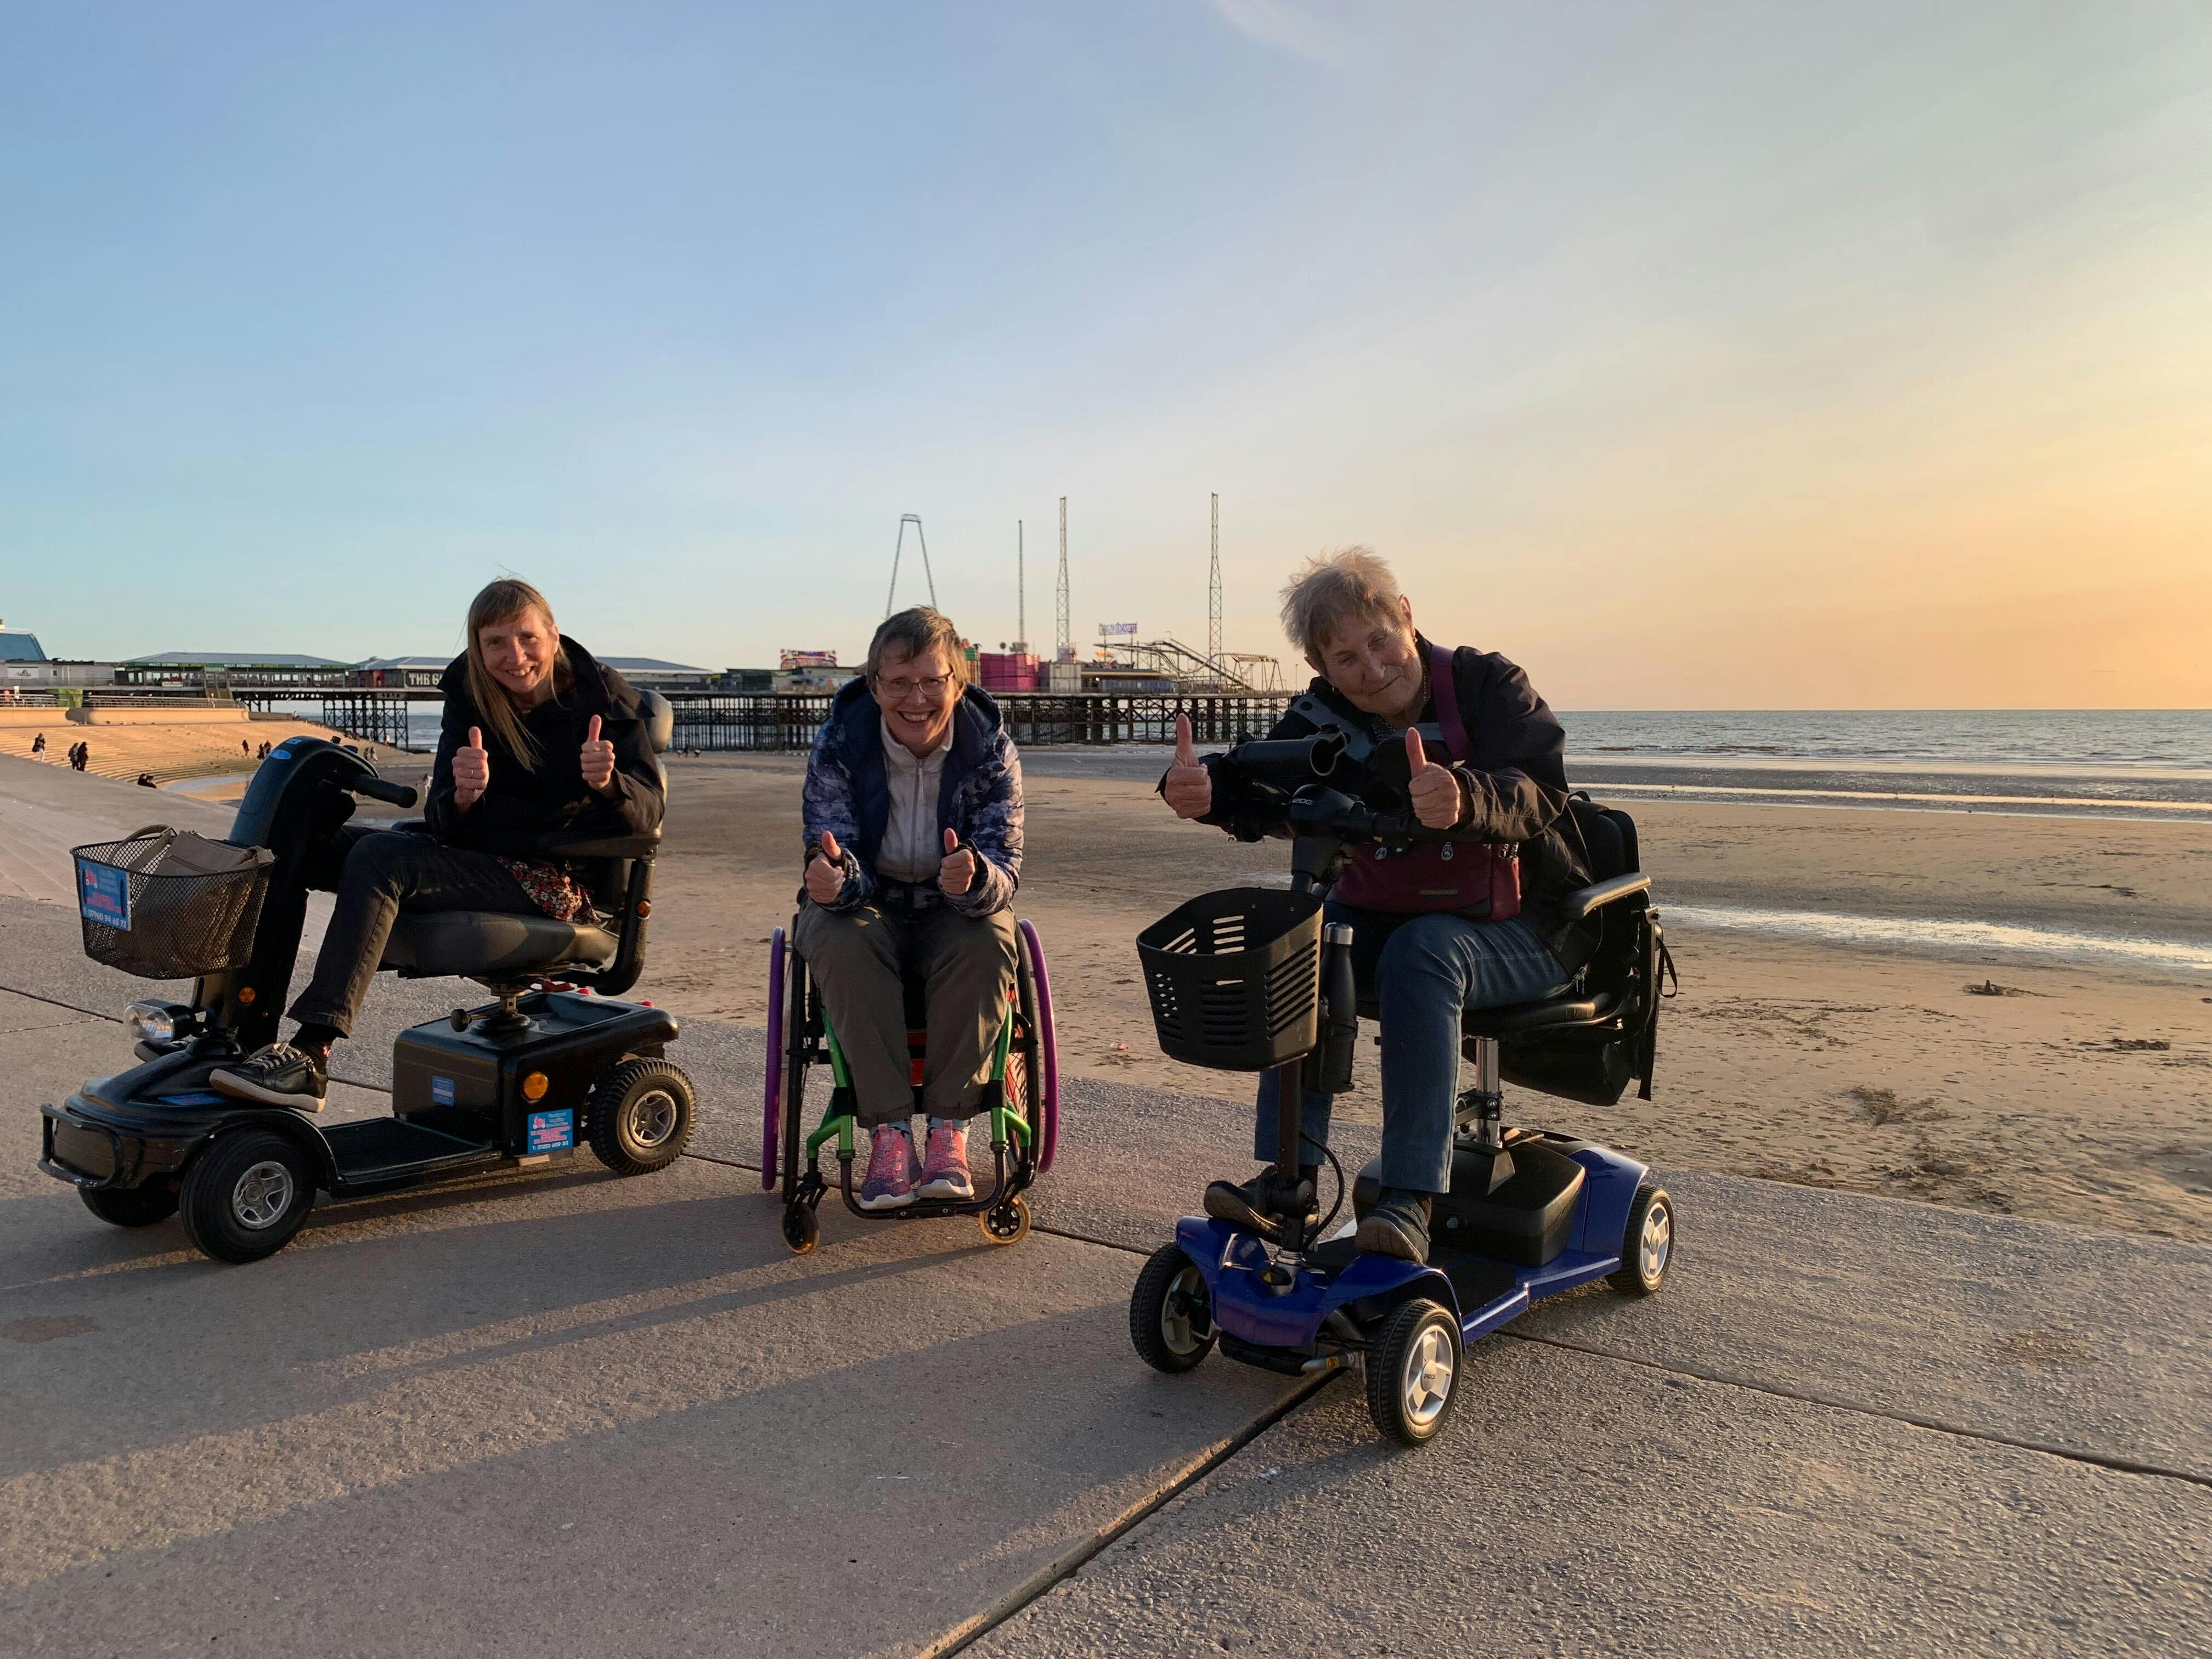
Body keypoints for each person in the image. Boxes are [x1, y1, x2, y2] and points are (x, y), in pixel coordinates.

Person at [1160, 548, 1594, 1265]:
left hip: (1527, 928)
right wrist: (1207, 793)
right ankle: (1286, 1182)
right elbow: (1263, 787)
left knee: (1423, 950)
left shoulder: (1487, 683)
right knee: (1295, 947)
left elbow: (1541, 789)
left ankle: (1408, 1202)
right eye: (1346, 659)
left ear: (1407, 619)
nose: (1373, 668)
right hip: (1387, 922)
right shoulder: (1322, 716)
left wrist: (1469, 799)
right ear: (1324, 669)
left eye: (1379, 641)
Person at [209, 578, 665, 1109]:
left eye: (527, 638)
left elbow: (649, 814)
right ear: (478, 648)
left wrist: (609, 784)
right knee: (301, 846)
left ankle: (314, 1051)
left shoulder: (602, 697)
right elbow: (444, 822)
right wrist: (464, 796)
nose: (514, 656)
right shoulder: (471, 696)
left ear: (554, 634)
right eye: (496, 642)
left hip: (559, 881)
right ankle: (243, 1031)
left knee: (380, 858)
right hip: (483, 856)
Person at [795, 606, 1024, 1210]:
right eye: (898, 682)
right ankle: (890, 1135)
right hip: (871, 900)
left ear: (960, 680)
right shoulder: (840, 746)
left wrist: (974, 879)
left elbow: (1006, 865)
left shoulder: (990, 749)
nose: (915, 698)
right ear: (874, 686)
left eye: (932, 681)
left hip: (954, 906)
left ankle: (950, 1130)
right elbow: (831, 848)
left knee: (993, 937)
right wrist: (831, 880)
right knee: (838, 938)